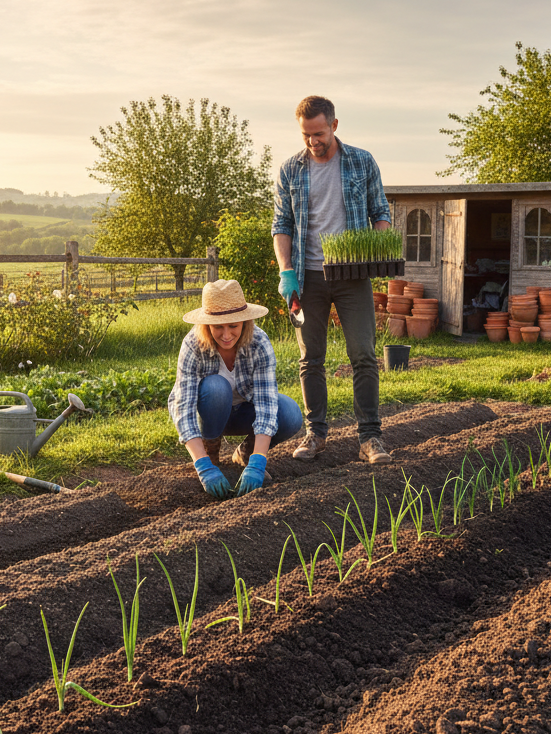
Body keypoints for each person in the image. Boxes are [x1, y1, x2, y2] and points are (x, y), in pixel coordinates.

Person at [271, 95, 393, 464]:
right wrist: (286, 271)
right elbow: (281, 225)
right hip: (307, 278)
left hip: (352, 274)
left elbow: (380, 212)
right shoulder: (290, 170)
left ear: (334, 126)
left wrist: (375, 249)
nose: (313, 141)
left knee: (364, 355)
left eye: (319, 133)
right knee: (311, 358)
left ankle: (370, 438)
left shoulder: (361, 161)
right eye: (306, 135)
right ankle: (316, 435)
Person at [168, 279, 304, 498]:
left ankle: (247, 455)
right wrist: (203, 465)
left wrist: (258, 461)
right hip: (208, 415)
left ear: (245, 322)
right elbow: (183, 408)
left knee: (290, 414)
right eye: (218, 327)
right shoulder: (193, 345)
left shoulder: (258, 343)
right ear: (207, 324)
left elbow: (266, 404)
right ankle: (211, 457)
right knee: (216, 387)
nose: (226, 335)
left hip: (244, 413)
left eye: (233, 326)